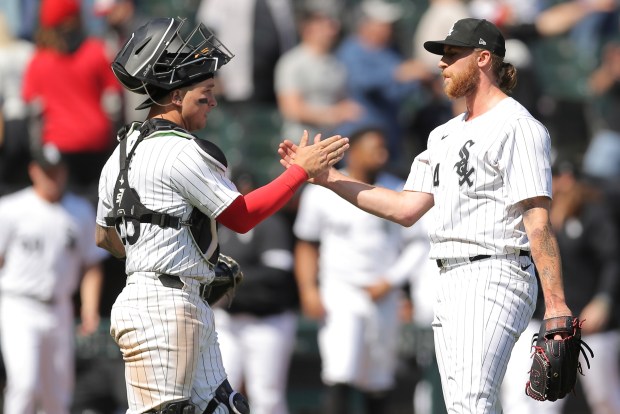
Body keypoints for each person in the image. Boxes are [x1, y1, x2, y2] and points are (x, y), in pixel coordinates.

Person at [279, 18, 573, 413]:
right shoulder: (443, 134)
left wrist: (556, 305)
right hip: (449, 276)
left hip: (495, 270)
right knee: (463, 405)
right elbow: (404, 208)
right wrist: (330, 178)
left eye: (452, 55)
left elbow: (537, 222)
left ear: (484, 58)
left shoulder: (518, 126)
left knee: (472, 403)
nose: (441, 64)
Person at [95, 17, 349, 414]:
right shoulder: (181, 149)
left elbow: (105, 237)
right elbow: (242, 216)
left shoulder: (121, 151)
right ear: (177, 95)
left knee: (225, 408)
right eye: (205, 92)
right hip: (163, 308)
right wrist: (300, 171)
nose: (213, 101)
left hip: (167, 298)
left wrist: (164, 254)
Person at [293, 126, 421, 414]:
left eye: (384, 148)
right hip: (340, 291)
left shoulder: (397, 190)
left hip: (383, 294)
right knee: (341, 369)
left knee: (379, 376)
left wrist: (391, 282)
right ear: (355, 151)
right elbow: (306, 244)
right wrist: (308, 289)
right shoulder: (323, 191)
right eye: (375, 147)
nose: (383, 154)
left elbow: (418, 245)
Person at [502, 159, 620, 414]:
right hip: (544, 320)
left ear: (567, 177)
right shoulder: (533, 216)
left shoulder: (590, 212)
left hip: (588, 321)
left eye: (553, 176)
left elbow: (613, 259)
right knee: (530, 397)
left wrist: (604, 300)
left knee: (605, 400)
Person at [0, 143, 106, 414]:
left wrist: (90, 309)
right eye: (47, 171)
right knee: (24, 385)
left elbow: (91, 265)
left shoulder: (79, 210)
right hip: (18, 304)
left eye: (57, 171)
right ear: (34, 171)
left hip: (59, 307)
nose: (54, 177)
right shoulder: (11, 209)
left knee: (58, 394)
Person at [213, 169, 299, 414]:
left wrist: (228, 277)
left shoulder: (271, 224)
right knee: (217, 394)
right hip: (228, 321)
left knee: (267, 397)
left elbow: (276, 274)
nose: (244, 194)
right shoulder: (220, 224)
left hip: (268, 320)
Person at [21, 0, 122, 201]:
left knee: (66, 211)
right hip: (97, 143)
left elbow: (32, 108)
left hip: (58, 147)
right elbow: (114, 103)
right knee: (99, 206)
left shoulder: (39, 59)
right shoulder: (96, 50)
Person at [274, 1, 361, 144]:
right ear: (308, 28)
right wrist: (334, 114)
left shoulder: (337, 64)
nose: (332, 30)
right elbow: (291, 109)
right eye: (325, 24)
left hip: (330, 143)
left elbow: (344, 102)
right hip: (299, 144)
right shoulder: (291, 62)